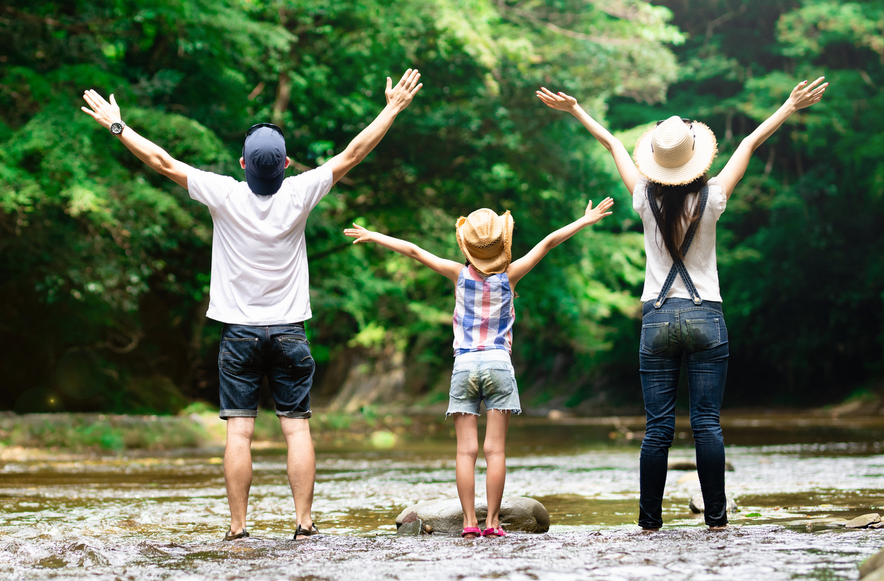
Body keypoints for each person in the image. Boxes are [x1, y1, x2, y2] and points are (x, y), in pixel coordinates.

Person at [80, 69, 423, 541]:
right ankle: (304, 525)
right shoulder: (301, 191)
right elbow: (353, 153)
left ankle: (239, 530)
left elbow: (161, 161)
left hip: (238, 334)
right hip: (289, 332)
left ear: (242, 163)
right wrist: (393, 108)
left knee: (238, 434)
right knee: (297, 430)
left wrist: (118, 126)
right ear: (286, 165)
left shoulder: (223, 193)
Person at [536, 78, 828, 531]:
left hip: (656, 318)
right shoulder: (712, 198)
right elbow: (749, 142)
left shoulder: (642, 197)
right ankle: (716, 520)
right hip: (706, 314)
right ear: (695, 159)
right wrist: (789, 106)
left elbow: (612, 142)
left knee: (657, 429)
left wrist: (576, 109)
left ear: (657, 163)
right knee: (707, 424)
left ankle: (649, 522)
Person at [343, 197, 614, 537]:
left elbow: (414, 251)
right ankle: (493, 523)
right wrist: (584, 220)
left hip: (465, 364)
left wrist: (375, 235)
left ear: (467, 247)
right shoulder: (510, 276)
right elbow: (548, 243)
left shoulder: (457, 274)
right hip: (498, 363)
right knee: (494, 450)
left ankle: (469, 523)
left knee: (465, 451)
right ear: (502, 245)